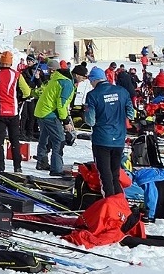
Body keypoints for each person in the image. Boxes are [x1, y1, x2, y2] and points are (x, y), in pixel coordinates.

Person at [83, 67, 134, 197]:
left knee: (105, 175)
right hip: (119, 139)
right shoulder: (122, 91)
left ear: (94, 80)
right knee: (115, 174)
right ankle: (120, 203)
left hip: (102, 139)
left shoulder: (92, 95)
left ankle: (110, 204)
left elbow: (90, 121)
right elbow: (131, 113)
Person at [35, 62, 84, 175]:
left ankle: (41, 161)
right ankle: (56, 169)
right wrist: (66, 121)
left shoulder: (59, 78)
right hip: (50, 113)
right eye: (83, 77)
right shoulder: (67, 84)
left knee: (44, 136)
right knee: (59, 140)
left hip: (41, 111)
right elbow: (61, 104)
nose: (84, 80)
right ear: (77, 75)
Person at [0, 51, 31, 174]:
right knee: (14, 141)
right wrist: (20, 98)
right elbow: (27, 91)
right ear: (11, 62)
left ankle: (0, 167)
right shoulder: (17, 75)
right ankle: (17, 167)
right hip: (13, 112)